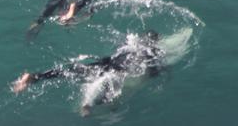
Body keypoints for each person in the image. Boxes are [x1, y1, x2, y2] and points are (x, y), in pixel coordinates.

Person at [11, 31, 162, 116]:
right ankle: (88, 107)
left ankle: (35, 77)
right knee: (110, 93)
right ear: (154, 42)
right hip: (117, 70)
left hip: (104, 62)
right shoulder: (150, 52)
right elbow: (152, 71)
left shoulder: (128, 46)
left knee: (68, 72)